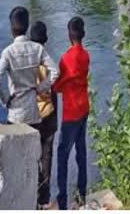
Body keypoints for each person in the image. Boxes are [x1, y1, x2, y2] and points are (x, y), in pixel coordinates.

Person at [0, 7, 59, 129]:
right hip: (33, 112)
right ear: (27, 26)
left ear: (11, 28)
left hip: (15, 113)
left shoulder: (8, 52)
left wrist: (6, 101)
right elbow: (55, 71)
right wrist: (39, 89)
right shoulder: (37, 49)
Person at [52, 17, 91, 210]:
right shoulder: (85, 55)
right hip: (84, 107)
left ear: (69, 35)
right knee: (81, 152)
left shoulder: (66, 58)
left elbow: (58, 85)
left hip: (71, 112)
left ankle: (62, 201)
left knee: (62, 155)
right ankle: (82, 195)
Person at [30, 21, 58, 210]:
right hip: (48, 114)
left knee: (32, 157)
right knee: (47, 156)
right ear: (45, 40)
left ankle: (34, 197)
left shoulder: (27, 64)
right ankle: (45, 198)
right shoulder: (48, 62)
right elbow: (54, 89)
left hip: (32, 116)